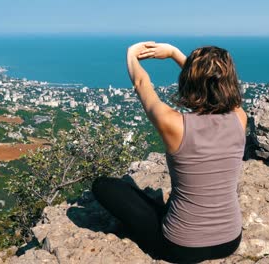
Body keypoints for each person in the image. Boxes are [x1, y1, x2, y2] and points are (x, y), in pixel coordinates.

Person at [92, 41, 247, 263]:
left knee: (103, 186)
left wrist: (131, 55)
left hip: (181, 247)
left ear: (188, 80)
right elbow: (211, 84)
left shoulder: (174, 123)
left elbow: (140, 81)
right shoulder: (239, 118)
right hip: (231, 240)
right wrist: (176, 54)